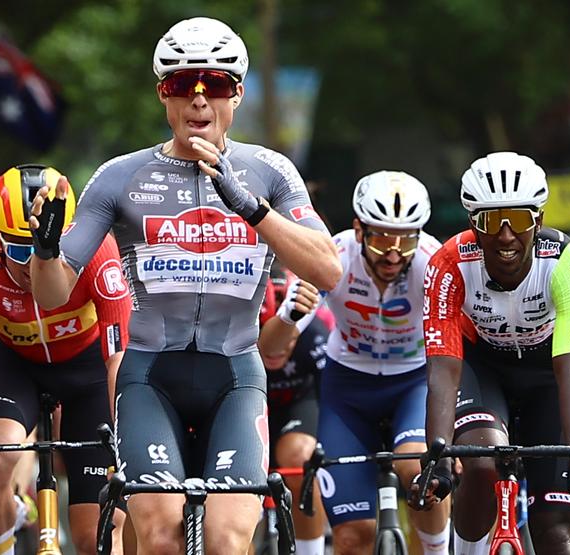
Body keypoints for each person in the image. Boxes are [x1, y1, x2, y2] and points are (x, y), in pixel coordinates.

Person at [26, 16, 341, 554]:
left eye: (215, 85)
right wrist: (45, 248)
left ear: (236, 95)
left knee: (225, 539)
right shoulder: (119, 176)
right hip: (150, 373)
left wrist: (252, 208)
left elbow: (328, 270)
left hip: (236, 373)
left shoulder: (269, 171)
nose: (199, 100)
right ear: (162, 95)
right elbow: (51, 295)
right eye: (182, 85)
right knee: (160, 537)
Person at [410, 152, 570, 555]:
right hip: (483, 371)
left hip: (548, 375)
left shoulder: (567, 262)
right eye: (488, 220)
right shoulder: (448, 262)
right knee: (481, 462)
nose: (504, 235)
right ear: (471, 224)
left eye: (516, 220)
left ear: (538, 218)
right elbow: (442, 372)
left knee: (556, 529)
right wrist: (440, 456)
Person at [0, 165, 132, 555]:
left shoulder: (97, 249)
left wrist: (129, 445)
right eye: (17, 249)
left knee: (94, 535)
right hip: (13, 365)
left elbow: (118, 358)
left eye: (42, 248)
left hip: (87, 372)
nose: (31, 264)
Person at [259, 170, 450, 554]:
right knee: (353, 536)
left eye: (405, 240)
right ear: (359, 230)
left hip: (412, 384)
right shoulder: (333, 254)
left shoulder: (432, 262)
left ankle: (437, 549)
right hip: (348, 390)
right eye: (381, 239)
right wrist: (288, 317)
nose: (394, 254)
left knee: (417, 472)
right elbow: (268, 352)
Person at [257, 264, 330, 555]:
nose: (277, 350)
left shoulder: (317, 332)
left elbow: (333, 396)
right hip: (249, 408)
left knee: (302, 459)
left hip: (296, 408)